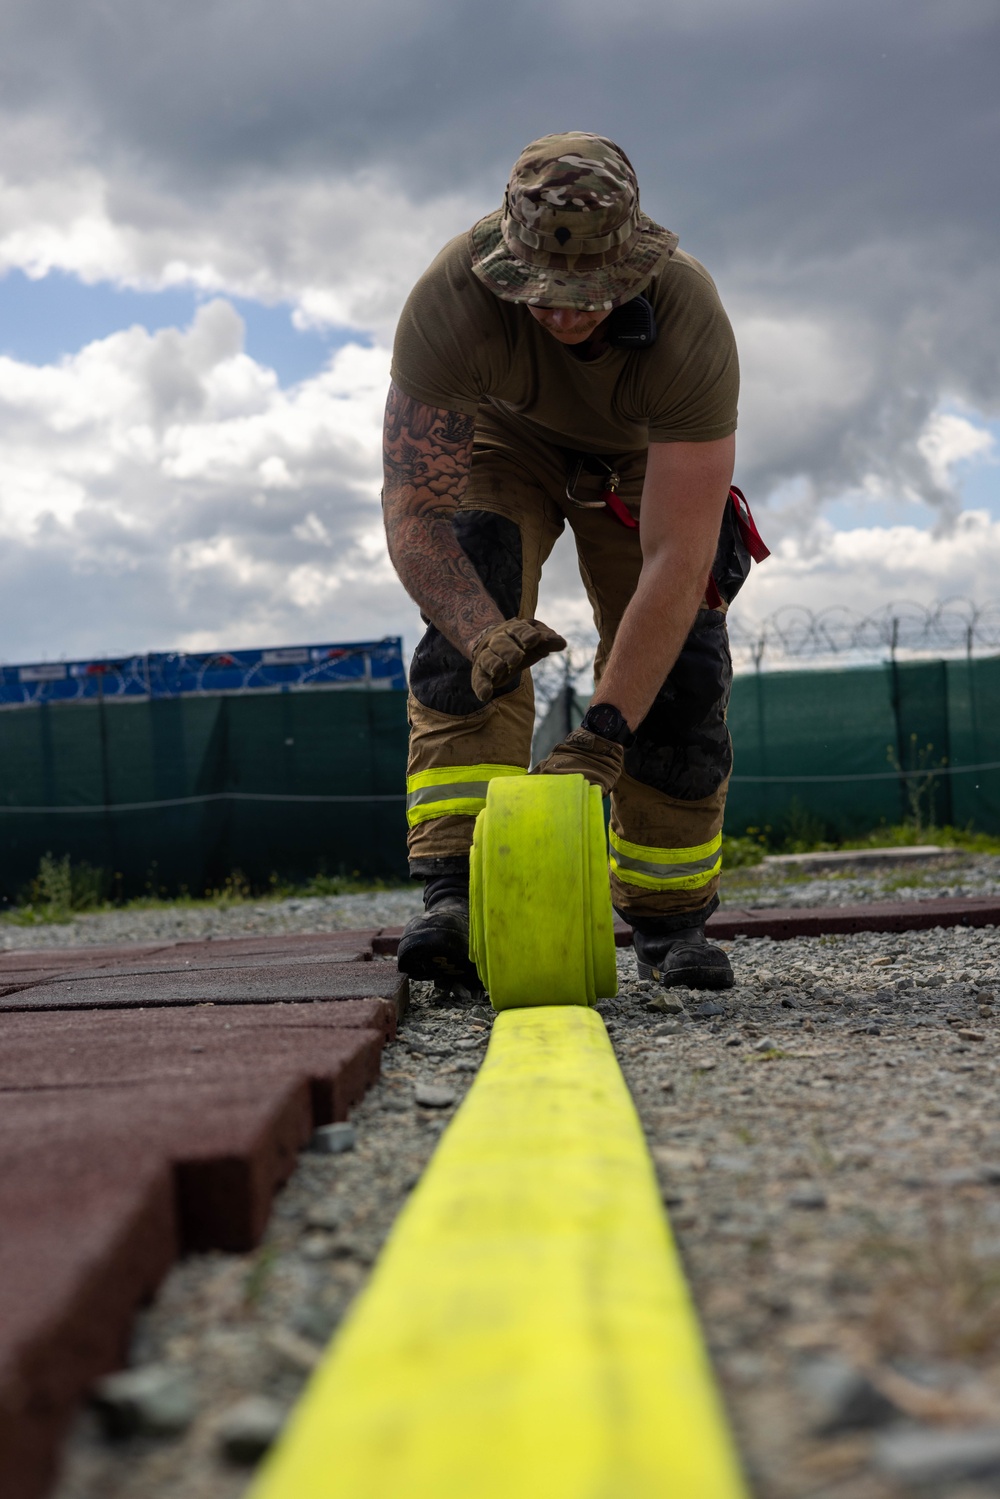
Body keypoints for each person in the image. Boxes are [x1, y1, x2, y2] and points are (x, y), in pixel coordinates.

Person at [382, 131, 763, 997]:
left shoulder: (690, 317)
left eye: (587, 295)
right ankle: (454, 894)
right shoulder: (451, 300)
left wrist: (605, 730)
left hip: (635, 465)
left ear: (633, 263)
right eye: (541, 295)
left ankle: (671, 917)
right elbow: (414, 510)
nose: (562, 314)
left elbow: (678, 554)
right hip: (501, 444)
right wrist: (482, 632)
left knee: (683, 661)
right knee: (469, 590)